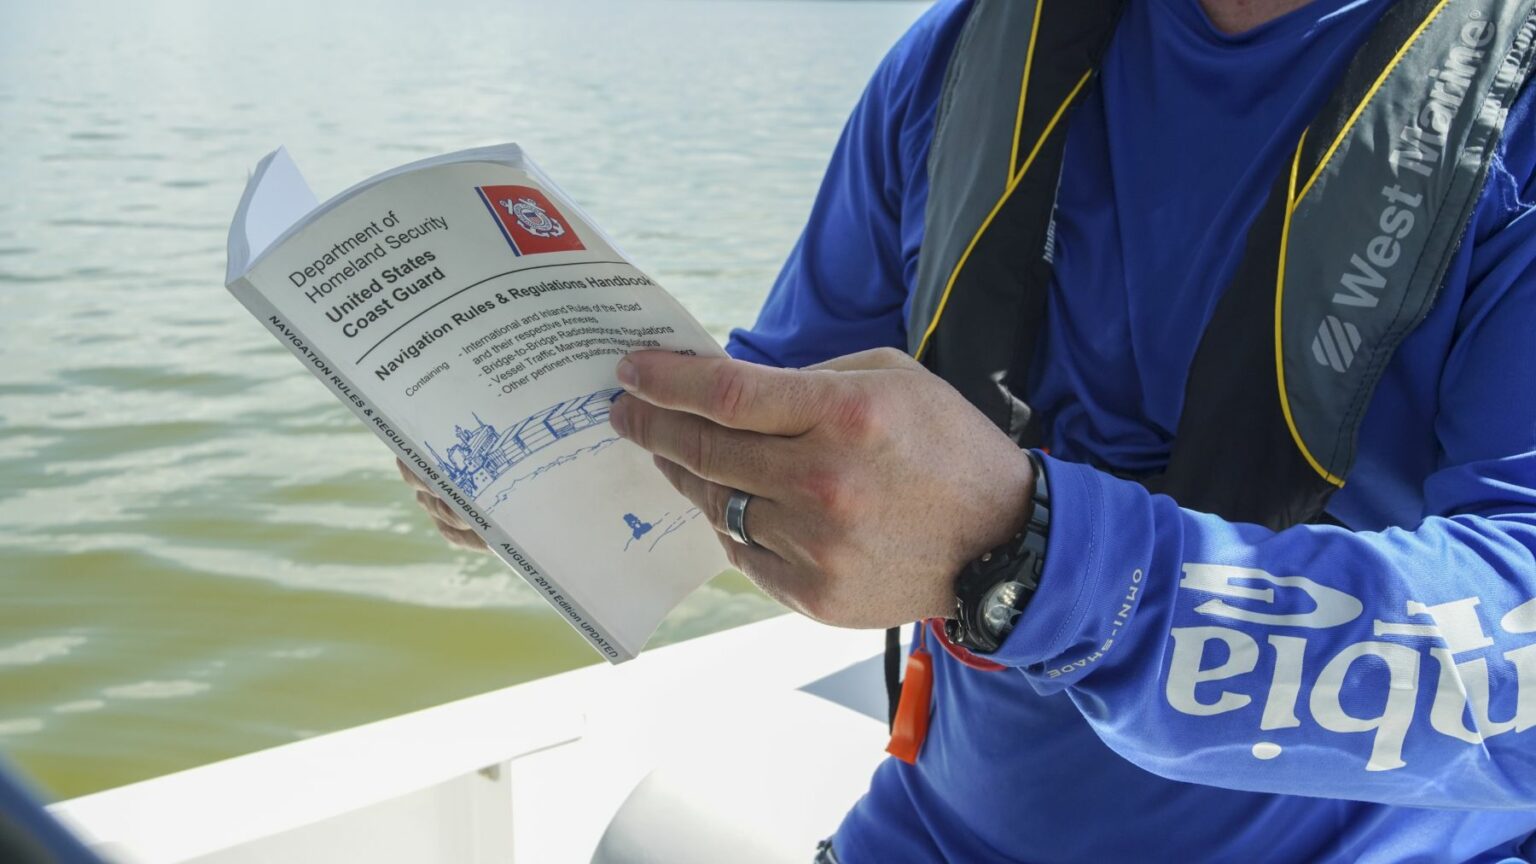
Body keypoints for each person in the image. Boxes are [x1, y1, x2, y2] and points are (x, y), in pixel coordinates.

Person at [408, 0, 1536, 859]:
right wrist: (549, 454)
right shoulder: (956, 61)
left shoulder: (1513, 113)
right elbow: (794, 425)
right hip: (931, 831)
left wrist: (1030, 551)